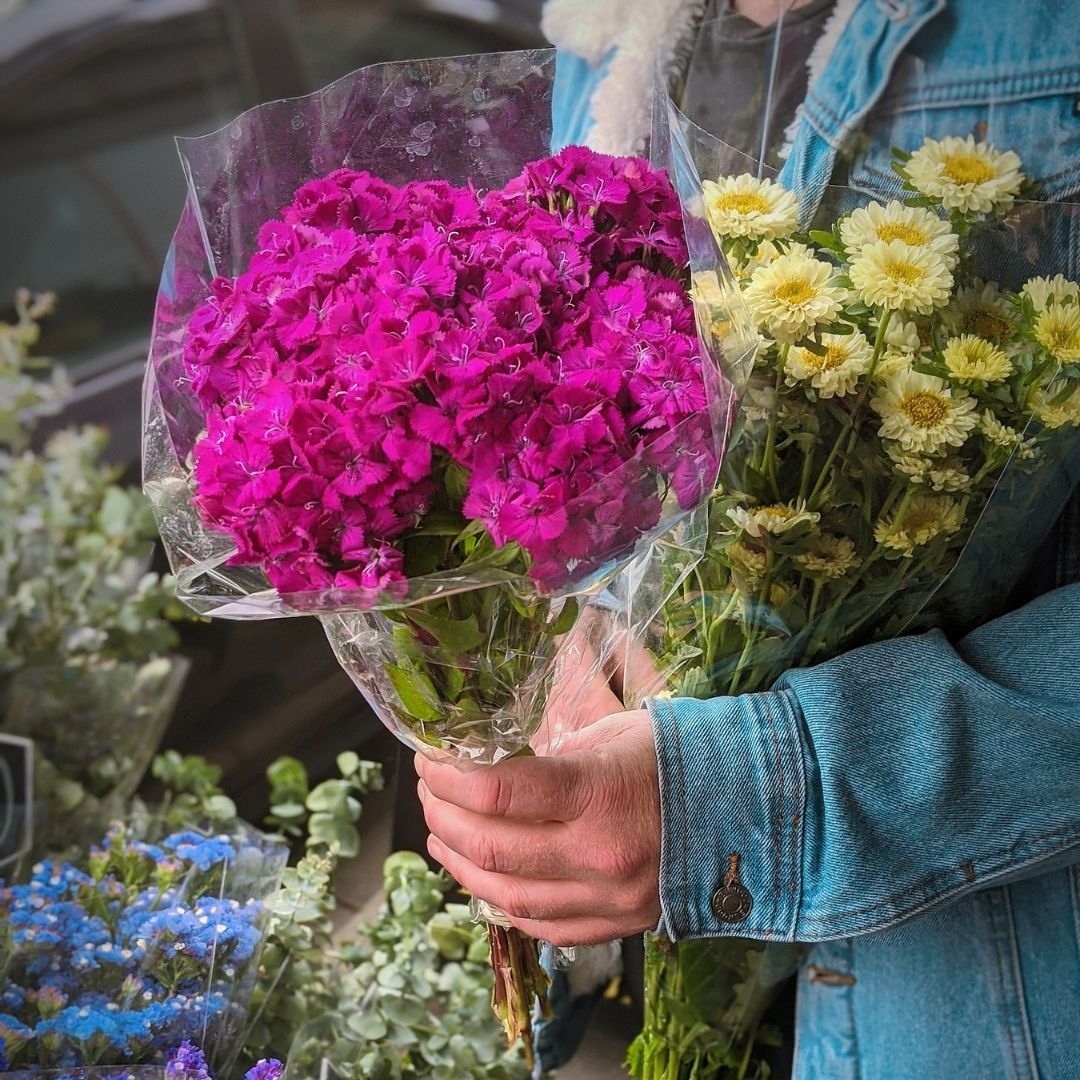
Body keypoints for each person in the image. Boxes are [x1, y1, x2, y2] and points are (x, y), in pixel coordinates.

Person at [417, 2, 1080, 1077]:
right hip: (683, 954)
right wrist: (571, 642)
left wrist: (753, 796)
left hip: (989, 1013)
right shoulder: (613, 32)